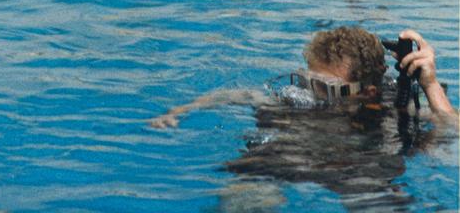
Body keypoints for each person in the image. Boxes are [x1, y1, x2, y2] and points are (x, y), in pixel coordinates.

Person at [150, 26, 457, 210]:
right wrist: (179, 112)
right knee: (243, 200)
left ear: (367, 91)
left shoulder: (395, 107)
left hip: (359, 170)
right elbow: (237, 94)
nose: (312, 93)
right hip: (284, 159)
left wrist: (429, 84)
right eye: (307, 80)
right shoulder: (293, 100)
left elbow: (453, 130)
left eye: (325, 87)